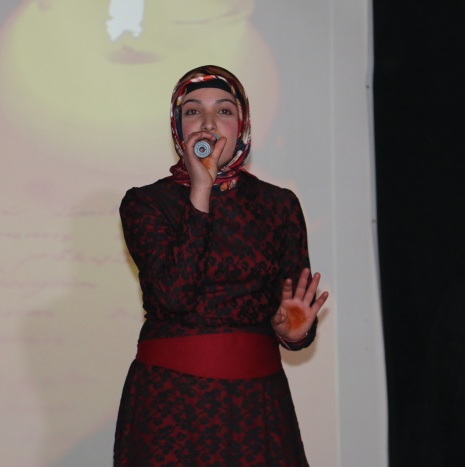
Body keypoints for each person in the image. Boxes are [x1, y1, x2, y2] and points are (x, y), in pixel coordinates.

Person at [114, 65, 328, 466]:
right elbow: (174, 298)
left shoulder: (279, 204)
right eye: (193, 111)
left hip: (257, 404)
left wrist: (295, 332)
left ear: (242, 123)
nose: (208, 123)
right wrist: (201, 190)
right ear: (178, 126)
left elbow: (293, 310)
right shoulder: (145, 203)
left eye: (224, 110)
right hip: (172, 403)